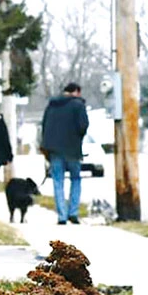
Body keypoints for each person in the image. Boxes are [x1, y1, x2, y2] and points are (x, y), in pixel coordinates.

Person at [40, 82, 90, 225]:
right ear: (76, 92)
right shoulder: (78, 105)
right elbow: (83, 126)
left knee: (58, 181)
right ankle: (73, 213)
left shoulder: (52, 105)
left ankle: (62, 215)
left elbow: (44, 126)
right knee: (75, 179)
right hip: (73, 149)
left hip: (55, 150)